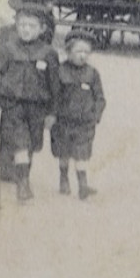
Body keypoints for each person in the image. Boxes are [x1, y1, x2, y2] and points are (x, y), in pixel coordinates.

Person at [0, 2, 58, 202]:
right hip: (13, 105)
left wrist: (52, 112)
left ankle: (17, 174)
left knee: (31, 145)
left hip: (37, 108)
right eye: (22, 25)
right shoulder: (8, 49)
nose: (26, 30)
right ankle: (23, 184)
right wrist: (2, 93)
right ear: (16, 26)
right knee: (20, 142)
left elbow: (54, 86)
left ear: (42, 28)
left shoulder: (48, 54)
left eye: (32, 26)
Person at [50, 31, 107, 199]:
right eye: (78, 52)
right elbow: (53, 96)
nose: (82, 56)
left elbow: (100, 98)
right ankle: (63, 179)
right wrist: (52, 115)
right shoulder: (60, 71)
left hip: (84, 122)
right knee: (64, 152)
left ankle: (83, 185)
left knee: (82, 153)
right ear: (68, 51)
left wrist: (95, 115)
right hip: (63, 121)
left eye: (86, 52)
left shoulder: (92, 74)